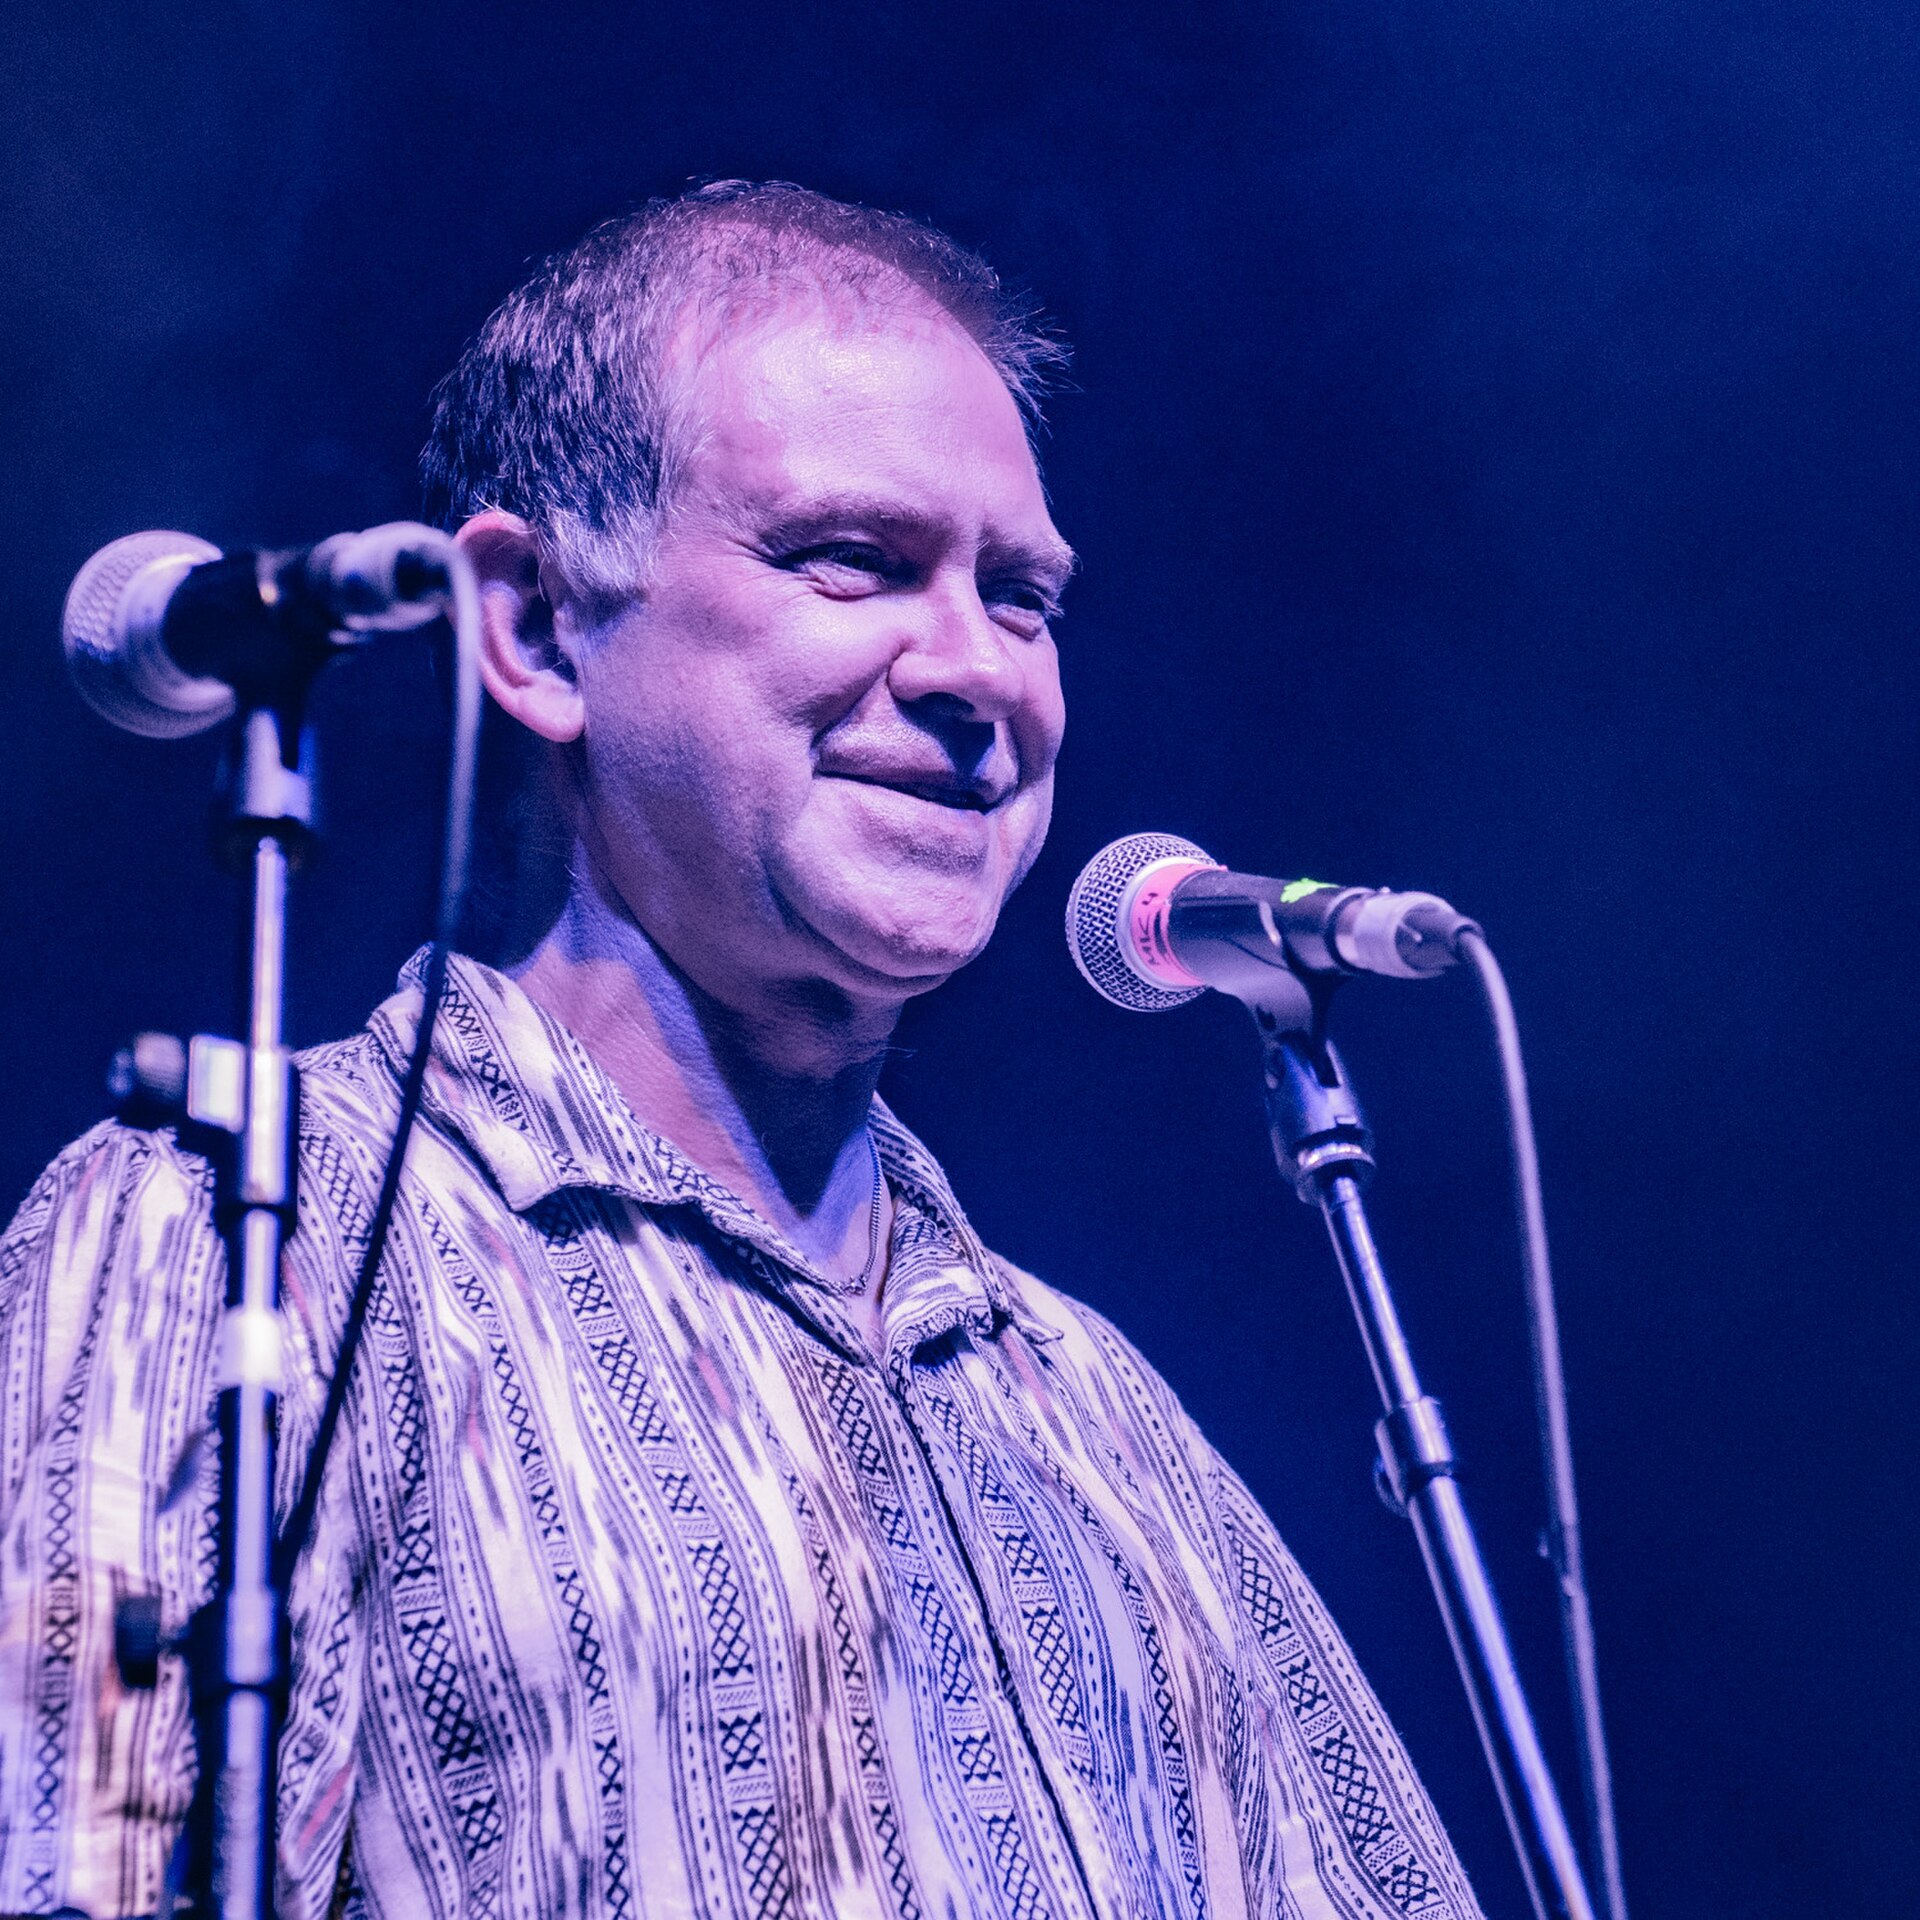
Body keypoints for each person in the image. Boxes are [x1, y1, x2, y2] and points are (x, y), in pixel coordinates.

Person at [0, 182, 1482, 1920]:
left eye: (1023, 598)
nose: (979, 671)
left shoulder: (1098, 1415)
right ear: (533, 628)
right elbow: (69, 1858)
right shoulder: (235, 1234)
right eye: (853, 559)